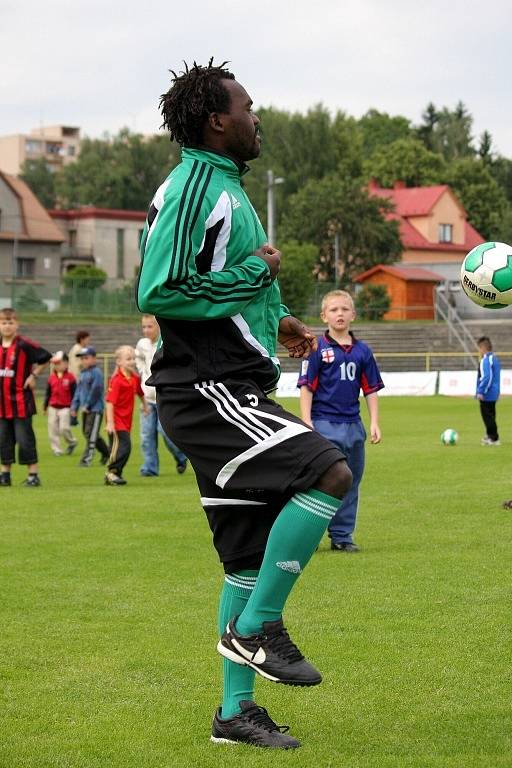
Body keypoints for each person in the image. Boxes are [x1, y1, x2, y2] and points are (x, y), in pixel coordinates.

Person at [136, 60, 351, 750]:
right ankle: (259, 627)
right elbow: (162, 291)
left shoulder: (223, 186)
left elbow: (219, 283)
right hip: (206, 387)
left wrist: (278, 317)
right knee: (327, 471)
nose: (258, 118)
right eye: (248, 107)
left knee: (245, 564)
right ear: (216, 119)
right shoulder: (198, 184)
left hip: (224, 381)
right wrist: (258, 269)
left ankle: (235, 715)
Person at [298, 290, 384, 553]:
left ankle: (342, 536)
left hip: (353, 426)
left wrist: (374, 422)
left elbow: (370, 390)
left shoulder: (363, 351)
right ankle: (308, 536)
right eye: (334, 310)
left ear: (353, 315)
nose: (340, 314)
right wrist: (307, 421)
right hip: (324, 424)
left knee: (352, 481)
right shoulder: (316, 348)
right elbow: (306, 388)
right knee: (320, 482)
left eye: (345, 309)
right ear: (324, 316)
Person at [0, 307, 51, 487]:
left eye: (10, 322)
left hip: (21, 403)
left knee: (24, 439)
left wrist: (33, 375)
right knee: (4, 440)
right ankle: (5, 475)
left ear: (17, 324)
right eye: (3, 322)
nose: (7, 326)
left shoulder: (23, 345)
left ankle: (33, 475)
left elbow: (46, 357)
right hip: (2, 405)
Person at [135, 314, 188, 475]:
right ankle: (150, 469)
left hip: (164, 398)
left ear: (158, 326)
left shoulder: (166, 343)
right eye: (143, 327)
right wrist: (142, 373)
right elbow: (139, 362)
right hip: (147, 399)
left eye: (149, 326)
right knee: (146, 436)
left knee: (166, 433)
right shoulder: (142, 344)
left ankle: (181, 456)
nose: (146, 330)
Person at [104, 345, 148, 486]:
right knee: (124, 446)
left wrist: (145, 406)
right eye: (128, 359)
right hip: (116, 421)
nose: (132, 361)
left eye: (133, 358)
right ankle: (111, 472)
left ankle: (115, 475)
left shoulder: (134, 377)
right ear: (119, 362)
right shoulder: (116, 380)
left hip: (126, 420)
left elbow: (140, 393)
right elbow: (109, 403)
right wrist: (110, 423)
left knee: (124, 447)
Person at [70, 346, 110, 467]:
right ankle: (107, 453)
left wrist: (88, 404)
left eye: (86, 358)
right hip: (85, 409)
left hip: (95, 409)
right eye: (82, 358)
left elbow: (96, 390)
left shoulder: (96, 373)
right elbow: (78, 391)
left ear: (94, 358)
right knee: (88, 433)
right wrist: (74, 407)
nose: (84, 361)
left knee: (91, 434)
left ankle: (86, 459)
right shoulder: (83, 373)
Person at [43, 351, 78, 456]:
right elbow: (48, 393)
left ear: (66, 363)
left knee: (64, 428)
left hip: (65, 407)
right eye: (55, 363)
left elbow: (74, 394)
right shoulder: (51, 378)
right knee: (52, 429)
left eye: (59, 363)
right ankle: (56, 449)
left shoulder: (71, 378)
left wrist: (74, 408)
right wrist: (45, 406)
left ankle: (72, 442)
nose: (57, 365)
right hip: (53, 407)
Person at [476, 336, 501, 446]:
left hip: (487, 393)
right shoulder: (494, 359)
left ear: (482, 348)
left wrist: (481, 391)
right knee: (491, 415)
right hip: (494, 392)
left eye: (479, 348)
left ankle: (493, 438)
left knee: (487, 416)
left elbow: (487, 377)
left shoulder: (485, 360)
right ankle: (490, 434)